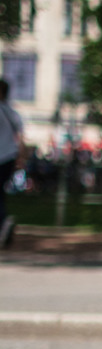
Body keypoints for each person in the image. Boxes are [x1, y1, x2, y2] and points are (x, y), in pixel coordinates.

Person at [0, 77, 25, 247]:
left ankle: (3, 220)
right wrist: (21, 158)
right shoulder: (12, 111)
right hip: (9, 157)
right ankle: (3, 221)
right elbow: (21, 138)